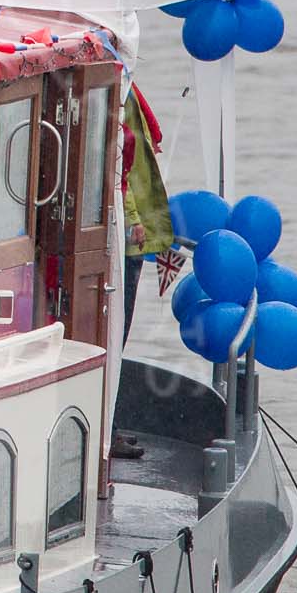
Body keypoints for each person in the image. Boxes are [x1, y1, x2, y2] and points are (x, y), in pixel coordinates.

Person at [113, 85, 173, 460]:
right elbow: (120, 163)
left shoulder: (123, 86)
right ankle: (109, 429)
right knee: (115, 336)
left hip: (132, 234)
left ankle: (111, 426)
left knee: (118, 338)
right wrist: (134, 219)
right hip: (126, 238)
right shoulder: (118, 89)